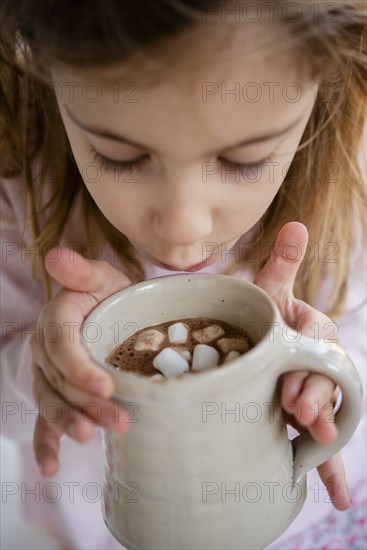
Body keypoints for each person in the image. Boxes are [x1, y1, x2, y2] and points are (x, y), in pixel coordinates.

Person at [1, 1, 366, 549]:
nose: (181, 231)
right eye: (118, 155)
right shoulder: (19, 183)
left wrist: (328, 369)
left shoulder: (351, 186)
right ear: (48, 74)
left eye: (246, 160)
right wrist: (43, 364)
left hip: (309, 526)